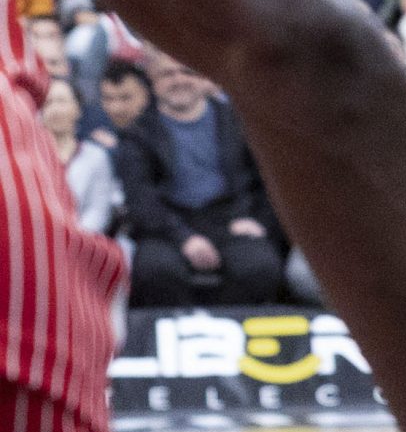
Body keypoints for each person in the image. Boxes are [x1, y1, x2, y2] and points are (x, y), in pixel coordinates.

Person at [113, 53, 283, 307]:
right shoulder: (136, 134)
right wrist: (185, 237)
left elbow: (270, 182)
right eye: (167, 74)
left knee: (260, 267)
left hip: (231, 220)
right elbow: (140, 198)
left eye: (188, 72)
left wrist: (258, 221)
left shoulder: (240, 122)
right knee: (156, 272)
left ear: (204, 78)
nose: (179, 80)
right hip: (166, 228)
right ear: (153, 81)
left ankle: (225, 328)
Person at [40, 76, 118, 234]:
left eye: (61, 101)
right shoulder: (25, 156)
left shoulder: (96, 157)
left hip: (81, 241)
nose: (55, 109)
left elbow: (98, 211)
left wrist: (73, 238)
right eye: (48, 103)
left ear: (78, 109)